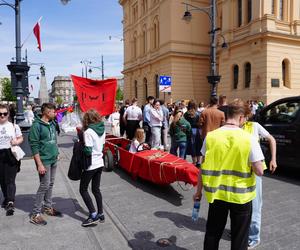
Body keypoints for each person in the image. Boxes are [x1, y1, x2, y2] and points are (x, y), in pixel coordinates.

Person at [193, 102, 264, 250]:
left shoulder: (211, 137)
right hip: (241, 196)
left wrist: (198, 192)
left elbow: (202, 167)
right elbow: (259, 171)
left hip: (217, 194)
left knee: (212, 232)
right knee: (240, 237)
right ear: (241, 118)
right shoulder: (249, 138)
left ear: (226, 116)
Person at [241, 102, 277, 249]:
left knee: (255, 205)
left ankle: (254, 236)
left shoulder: (254, 126)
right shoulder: (233, 128)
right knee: (242, 203)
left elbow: (271, 139)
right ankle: (242, 230)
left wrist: (273, 159)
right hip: (240, 170)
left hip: (255, 170)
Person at [29, 103, 62, 226]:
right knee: (44, 185)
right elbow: (34, 146)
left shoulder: (52, 123)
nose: (55, 113)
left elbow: (54, 139)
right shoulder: (36, 126)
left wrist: (57, 152)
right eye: (53, 112)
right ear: (47, 112)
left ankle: (48, 207)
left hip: (53, 159)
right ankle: (35, 214)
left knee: (50, 184)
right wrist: (39, 164)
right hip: (44, 160)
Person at [80, 109, 106, 227]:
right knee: (96, 189)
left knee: (83, 189)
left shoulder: (88, 131)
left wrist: (81, 146)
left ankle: (93, 214)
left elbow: (88, 150)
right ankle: (101, 213)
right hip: (100, 162)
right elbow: (103, 146)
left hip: (91, 164)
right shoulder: (102, 129)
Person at [0, 104, 23, 216]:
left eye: (4, 113)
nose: (2, 116)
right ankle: (6, 197)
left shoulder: (14, 126)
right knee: (2, 180)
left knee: (10, 179)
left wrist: (16, 142)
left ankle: (10, 201)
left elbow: (21, 138)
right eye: (0, 114)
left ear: (8, 114)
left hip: (10, 153)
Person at [184, 100, 202, 167]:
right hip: (198, 131)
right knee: (198, 146)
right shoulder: (199, 113)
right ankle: (199, 162)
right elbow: (201, 123)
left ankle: (194, 162)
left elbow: (185, 123)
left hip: (190, 131)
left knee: (192, 147)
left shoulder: (186, 114)